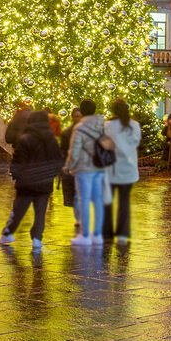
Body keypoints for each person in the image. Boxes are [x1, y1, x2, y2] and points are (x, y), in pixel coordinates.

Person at [0, 110, 63, 248]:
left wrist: (16, 175)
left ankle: (7, 234)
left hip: (26, 182)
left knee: (19, 210)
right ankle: (37, 239)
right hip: (45, 182)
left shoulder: (26, 138)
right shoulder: (51, 139)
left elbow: (18, 160)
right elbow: (58, 160)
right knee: (40, 212)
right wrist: (52, 174)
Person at [64, 99, 109, 246]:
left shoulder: (80, 128)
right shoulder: (102, 125)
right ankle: (97, 235)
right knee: (97, 201)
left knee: (83, 201)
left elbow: (74, 150)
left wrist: (68, 165)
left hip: (84, 168)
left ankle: (84, 235)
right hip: (99, 167)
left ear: (82, 111)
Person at [101, 99, 141, 244]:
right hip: (128, 170)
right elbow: (136, 143)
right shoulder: (134, 125)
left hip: (112, 169)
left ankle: (107, 233)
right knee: (124, 201)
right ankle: (123, 233)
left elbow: (103, 145)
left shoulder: (108, 125)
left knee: (108, 201)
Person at [59, 109, 82, 233]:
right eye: (76, 116)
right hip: (72, 166)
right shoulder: (67, 133)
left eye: (80, 116)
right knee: (75, 194)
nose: (77, 118)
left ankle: (80, 217)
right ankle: (78, 217)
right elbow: (63, 150)